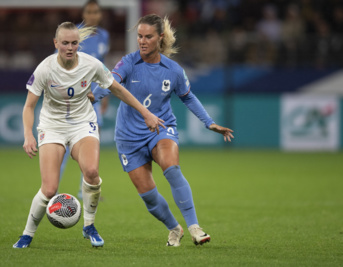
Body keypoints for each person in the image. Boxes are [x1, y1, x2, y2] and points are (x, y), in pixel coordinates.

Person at [13, 21, 164, 249]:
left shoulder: (92, 65)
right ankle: (27, 234)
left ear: (79, 44)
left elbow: (118, 89)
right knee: (50, 189)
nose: (70, 47)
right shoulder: (45, 68)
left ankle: (89, 226)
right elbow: (28, 106)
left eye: (74, 43)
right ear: (56, 43)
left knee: (92, 172)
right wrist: (28, 135)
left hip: (83, 124)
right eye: (65, 43)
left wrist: (145, 112)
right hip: (52, 126)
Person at [93, 14, 234, 247]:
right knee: (148, 196)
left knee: (172, 168)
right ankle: (174, 228)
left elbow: (188, 97)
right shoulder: (128, 62)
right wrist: (91, 97)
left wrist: (209, 122)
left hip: (160, 127)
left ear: (160, 38)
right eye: (139, 36)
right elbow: (110, 83)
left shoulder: (173, 70)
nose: (142, 41)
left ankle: (194, 228)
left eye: (148, 37)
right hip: (128, 136)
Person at [59, 0, 110, 200]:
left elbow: (103, 66)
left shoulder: (104, 36)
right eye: (88, 12)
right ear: (83, 14)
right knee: (63, 145)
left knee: (91, 143)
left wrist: (104, 93)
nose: (92, 15)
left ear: (100, 14)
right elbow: (59, 61)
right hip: (73, 98)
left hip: (93, 98)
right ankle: (51, 189)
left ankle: (85, 191)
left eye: (95, 12)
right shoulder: (74, 35)